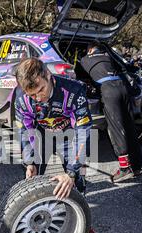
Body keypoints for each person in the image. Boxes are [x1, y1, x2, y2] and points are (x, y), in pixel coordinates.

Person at [14, 58, 92, 200]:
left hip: (69, 135)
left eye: (41, 89)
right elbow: (24, 130)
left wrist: (72, 172)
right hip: (41, 135)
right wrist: (29, 161)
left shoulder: (74, 91)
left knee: (77, 176)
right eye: (32, 94)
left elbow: (83, 131)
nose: (38, 98)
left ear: (48, 74)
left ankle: (82, 210)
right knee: (31, 177)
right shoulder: (21, 98)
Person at [81, 42, 142, 182]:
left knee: (116, 130)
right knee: (129, 127)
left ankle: (125, 168)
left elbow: (80, 76)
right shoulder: (110, 56)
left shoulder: (84, 59)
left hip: (109, 91)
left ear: (90, 50)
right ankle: (137, 165)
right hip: (124, 88)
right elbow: (126, 68)